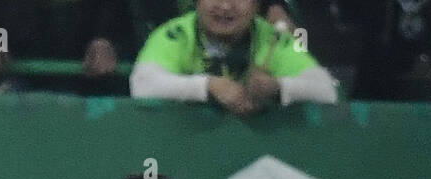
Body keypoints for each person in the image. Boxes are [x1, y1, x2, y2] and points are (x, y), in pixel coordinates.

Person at [130, 0, 338, 114]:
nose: (225, 5)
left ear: (257, 5)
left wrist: (277, 87)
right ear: (197, 3)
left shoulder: (273, 39)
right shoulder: (176, 33)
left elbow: (326, 89)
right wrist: (209, 86)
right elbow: (142, 83)